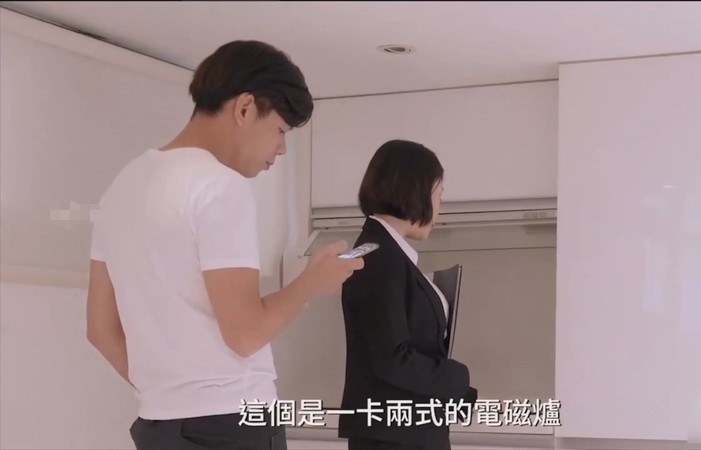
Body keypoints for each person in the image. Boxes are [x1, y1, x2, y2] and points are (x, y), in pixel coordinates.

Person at [86, 40, 364, 450]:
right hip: (234, 423)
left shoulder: (121, 187)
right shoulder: (218, 186)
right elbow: (246, 335)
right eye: (280, 130)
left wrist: (173, 395)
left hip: (159, 426)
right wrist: (312, 281)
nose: (281, 149)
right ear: (245, 108)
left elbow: (100, 329)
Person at [338, 140, 478, 450]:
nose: (439, 209)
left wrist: (463, 394)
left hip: (404, 432)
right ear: (418, 190)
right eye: (439, 195)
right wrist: (458, 377)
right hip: (394, 438)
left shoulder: (385, 254)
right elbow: (392, 359)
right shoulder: (379, 257)